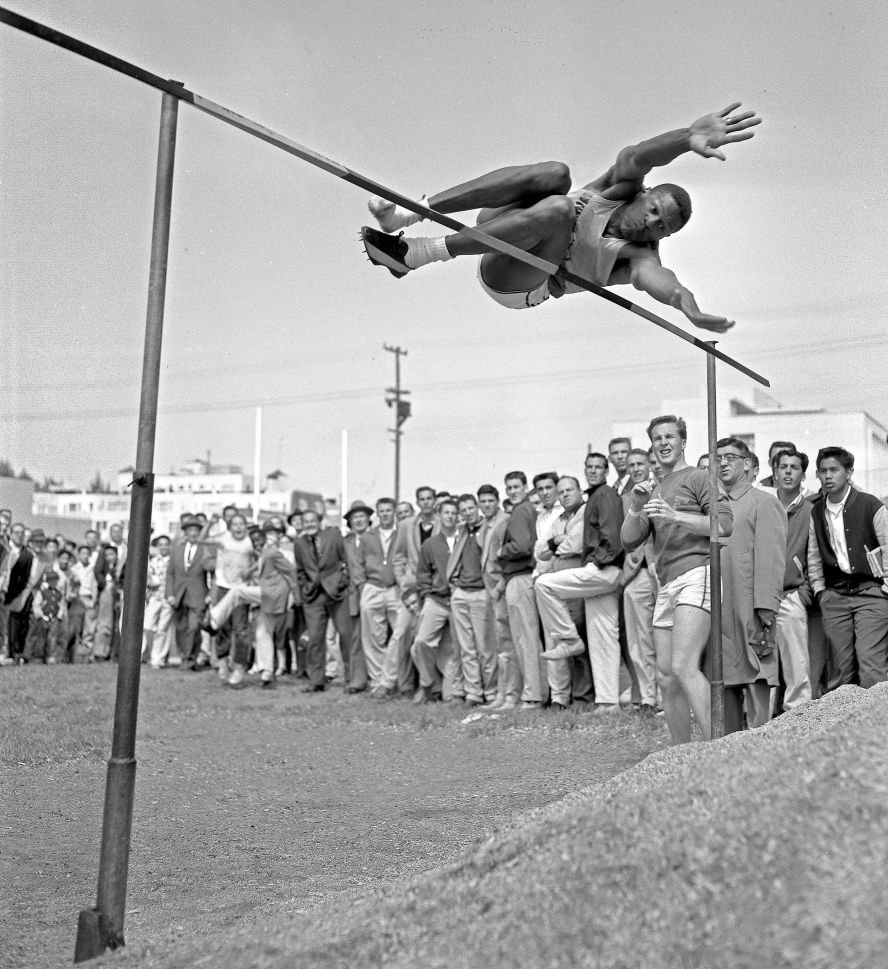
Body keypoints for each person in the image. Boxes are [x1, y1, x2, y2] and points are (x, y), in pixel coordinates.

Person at [362, 104, 760, 332]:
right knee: (556, 174)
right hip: (503, 225)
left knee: (561, 208)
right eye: (654, 211)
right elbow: (639, 155)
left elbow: (662, 282)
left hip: (520, 283)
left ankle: (420, 254)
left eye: (663, 228)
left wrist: (686, 305)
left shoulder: (639, 256)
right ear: (645, 194)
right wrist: (685, 137)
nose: (652, 224)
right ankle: (410, 213)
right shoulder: (618, 186)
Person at [622, 415, 733, 744]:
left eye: (670, 436)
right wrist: (635, 507)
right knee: (666, 676)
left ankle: (722, 749)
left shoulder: (700, 477)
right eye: (657, 438)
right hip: (667, 584)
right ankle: (681, 753)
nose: (663, 442)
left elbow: (724, 525)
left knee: (685, 665)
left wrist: (676, 516)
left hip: (697, 575)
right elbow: (629, 540)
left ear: (683, 441)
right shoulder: (653, 488)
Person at [536, 453, 625, 711]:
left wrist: (597, 562)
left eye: (599, 467)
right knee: (602, 636)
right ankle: (608, 703)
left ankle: (568, 639)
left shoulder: (605, 495)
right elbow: (541, 550)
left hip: (604, 569)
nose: (594, 471)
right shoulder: (596, 495)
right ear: (585, 470)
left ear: (606, 470)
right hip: (604, 570)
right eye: (590, 467)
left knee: (544, 584)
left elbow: (612, 535)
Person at [716, 437, 787, 732]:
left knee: (758, 673)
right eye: (718, 457)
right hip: (721, 605)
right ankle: (728, 745)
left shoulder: (764, 501)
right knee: (725, 678)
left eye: (730, 457)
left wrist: (766, 605)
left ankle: (761, 747)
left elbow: (771, 557)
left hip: (752, 605)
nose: (723, 463)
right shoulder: (713, 504)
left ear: (747, 464)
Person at [807, 447, 888, 690]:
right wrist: (821, 591)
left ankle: (878, 725)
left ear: (849, 472)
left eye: (834, 470)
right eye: (822, 471)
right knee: (841, 673)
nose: (828, 476)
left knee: (871, 665)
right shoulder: (817, 511)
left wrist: (885, 588)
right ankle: (844, 727)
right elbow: (813, 555)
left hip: (871, 593)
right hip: (834, 597)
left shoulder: (870, 504)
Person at [292, 509, 353, 693]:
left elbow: (345, 559)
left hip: (336, 592)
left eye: (312, 520)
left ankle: (352, 679)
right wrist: (305, 587)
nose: (309, 524)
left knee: (345, 635)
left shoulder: (333, 535)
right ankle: (316, 680)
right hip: (313, 595)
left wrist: (343, 581)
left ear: (319, 522)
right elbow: (300, 569)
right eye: (305, 521)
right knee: (315, 639)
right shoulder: (299, 543)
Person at [772, 448, 815, 711]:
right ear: (774, 472)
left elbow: (817, 556)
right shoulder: (764, 505)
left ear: (802, 474)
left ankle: (798, 719)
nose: (788, 472)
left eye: (794, 467)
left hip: (791, 595)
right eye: (783, 466)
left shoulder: (811, 510)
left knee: (797, 666)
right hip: (762, 597)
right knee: (762, 667)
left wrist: (803, 592)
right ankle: (760, 724)